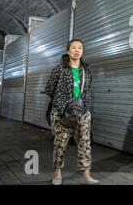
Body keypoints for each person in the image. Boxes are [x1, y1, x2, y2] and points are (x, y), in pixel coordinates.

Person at [45, 39, 99, 185]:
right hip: (62, 114)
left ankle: (86, 173)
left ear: (82, 51)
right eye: (73, 48)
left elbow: (87, 91)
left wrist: (85, 107)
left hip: (82, 113)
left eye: (80, 48)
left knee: (85, 143)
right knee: (60, 144)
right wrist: (61, 105)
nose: (77, 50)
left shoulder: (86, 71)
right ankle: (57, 172)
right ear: (68, 51)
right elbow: (49, 88)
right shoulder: (59, 69)